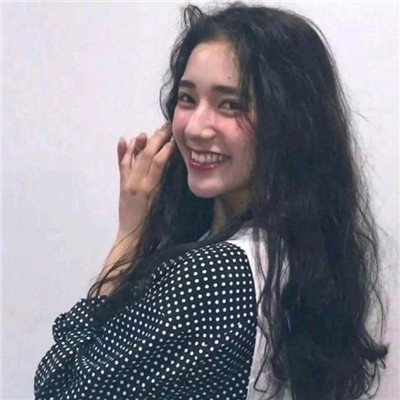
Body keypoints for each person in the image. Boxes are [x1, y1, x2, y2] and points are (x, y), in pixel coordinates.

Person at [34, 2, 389, 399]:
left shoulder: (212, 275)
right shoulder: (299, 253)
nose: (197, 128)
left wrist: (128, 235)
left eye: (230, 104)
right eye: (187, 98)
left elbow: (60, 390)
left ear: (289, 123)